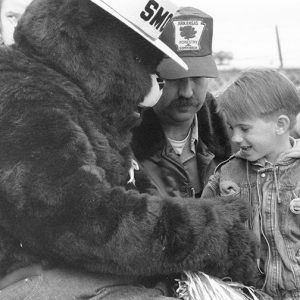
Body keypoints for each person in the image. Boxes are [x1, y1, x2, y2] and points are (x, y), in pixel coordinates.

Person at [201, 68, 300, 299]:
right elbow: (204, 229)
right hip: (248, 292)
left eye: (244, 128)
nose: (235, 138)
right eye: (231, 128)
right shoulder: (227, 175)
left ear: (281, 124)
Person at [131, 6, 232, 199]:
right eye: (174, 77)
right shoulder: (119, 142)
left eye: (197, 77)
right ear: (149, 76)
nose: (186, 92)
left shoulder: (236, 133)